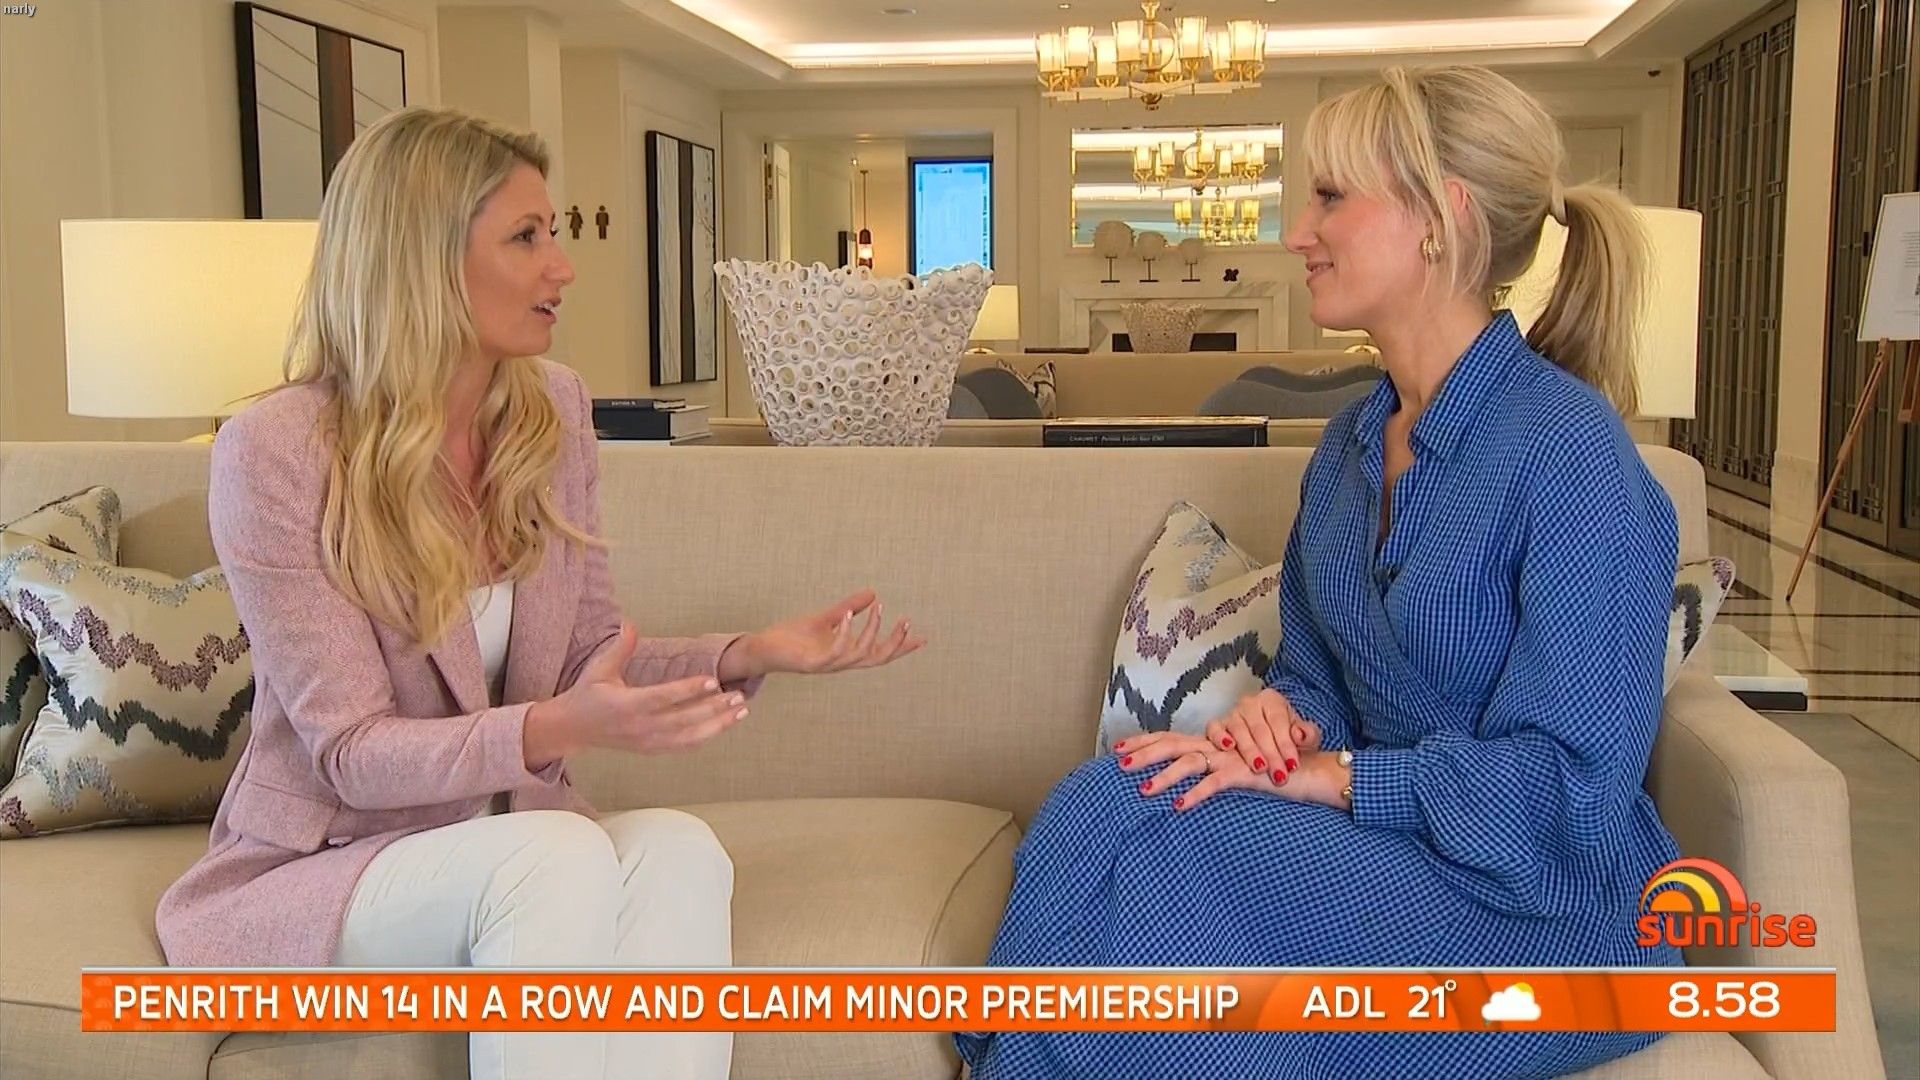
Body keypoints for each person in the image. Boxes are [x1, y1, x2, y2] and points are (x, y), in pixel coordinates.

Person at [156, 107, 925, 1080]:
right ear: (422, 258)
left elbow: (583, 664)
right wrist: (557, 729)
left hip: (501, 844)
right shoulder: (276, 452)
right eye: (526, 238)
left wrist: (745, 654)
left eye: (553, 233)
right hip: (326, 867)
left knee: (680, 849)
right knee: (553, 855)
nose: (562, 267)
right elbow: (351, 755)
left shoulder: (549, 410)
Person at [958, 65, 1682, 1079]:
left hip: (1541, 904)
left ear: (1440, 218)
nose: (1299, 233)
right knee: (1107, 795)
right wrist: (1283, 723)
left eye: (1332, 197)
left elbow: (1570, 798)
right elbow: (1320, 680)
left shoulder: (1571, 453)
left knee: (1181, 870)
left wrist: (1338, 776)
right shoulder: (1345, 450)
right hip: (1395, 848)